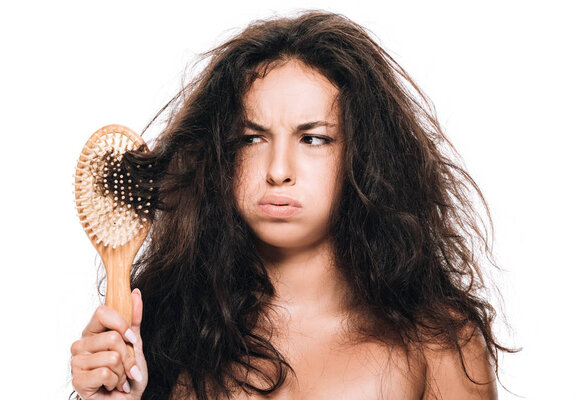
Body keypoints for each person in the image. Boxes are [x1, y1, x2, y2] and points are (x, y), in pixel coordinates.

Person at [69, 9, 518, 400]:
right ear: (221, 155)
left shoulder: (438, 342)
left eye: (314, 139)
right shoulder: (163, 327)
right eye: (252, 138)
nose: (278, 169)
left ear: (364, 156)